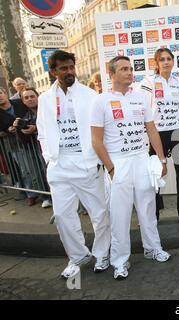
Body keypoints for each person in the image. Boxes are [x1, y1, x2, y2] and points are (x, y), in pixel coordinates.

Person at [91, 56, 171, 280]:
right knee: (120, 214)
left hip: (141, 159)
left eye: (131, 69)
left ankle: (152, 248)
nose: (129, 72)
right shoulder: (100, 101)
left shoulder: (142, 98)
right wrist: (111, 168)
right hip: (118, 162)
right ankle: (119, 260)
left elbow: (152, 130)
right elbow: (96, 140)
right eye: (124, 69)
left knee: (147, 207)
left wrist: (161, 160)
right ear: (111, 73)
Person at [36, 50, 111, 279]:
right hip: (59, 165)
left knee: (99, 213)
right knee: (62, 215)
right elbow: (42, 131)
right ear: (53, 71)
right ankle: (77, 256)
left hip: (85, 162)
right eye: (63, 68)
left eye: (71, 67)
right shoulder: (45, 98)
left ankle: (102, 254)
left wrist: (97, 160)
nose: (69, 72)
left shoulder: (90, 95)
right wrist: (49, 157)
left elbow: (101, 130)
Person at [139, 48, 179, 224]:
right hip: (157, 133)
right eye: (162, 59)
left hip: (176, 132)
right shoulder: (149, 81)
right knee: (154, 174)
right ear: (156, 63)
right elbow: (144, 108)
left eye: (169, 59)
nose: (166, 62)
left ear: (173, 61)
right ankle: (154, 214)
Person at [0, 86, 35, 203]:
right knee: (25, 169)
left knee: (39, 167)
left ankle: (45, 193)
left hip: (32, 140)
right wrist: (7, 130)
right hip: (15, 145)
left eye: (0, 93)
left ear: (5, 93)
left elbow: (31, 113)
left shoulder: (19, 103)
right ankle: (31, 194)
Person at [19, 87, 52, 208]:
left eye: (32, 96)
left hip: (54, 148)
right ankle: (48, 197)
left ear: (38, 97)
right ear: (23, 101)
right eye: (26, 98)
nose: (30, 99)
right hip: (37, 149)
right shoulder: (26, 116)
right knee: (42, 172)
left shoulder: (48, 110)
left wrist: (36, 128)